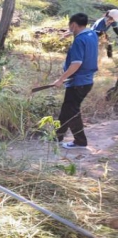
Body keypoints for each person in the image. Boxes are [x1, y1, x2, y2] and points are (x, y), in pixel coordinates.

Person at [52, 13, 98, 149]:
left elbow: (76, 63)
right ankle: (57, 137)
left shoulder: (79, 40)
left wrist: (61, 79)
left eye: (70, 26)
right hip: (87, 81)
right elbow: (91, 34)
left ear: (73, 24)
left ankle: (80, 141)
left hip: (78, 82)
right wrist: (70, 33)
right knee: (67, 109)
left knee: (72, 111)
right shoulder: (92, 34)